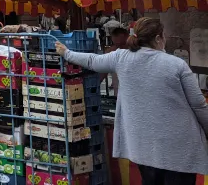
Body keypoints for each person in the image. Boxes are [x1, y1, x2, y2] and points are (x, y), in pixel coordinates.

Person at [55, 18, 208, 184]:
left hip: (142, 146)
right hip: (179, 148)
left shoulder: (121, 58)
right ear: (158, 38)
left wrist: (66, 53)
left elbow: (92, 60)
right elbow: (199, 105)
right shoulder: (177, 65)